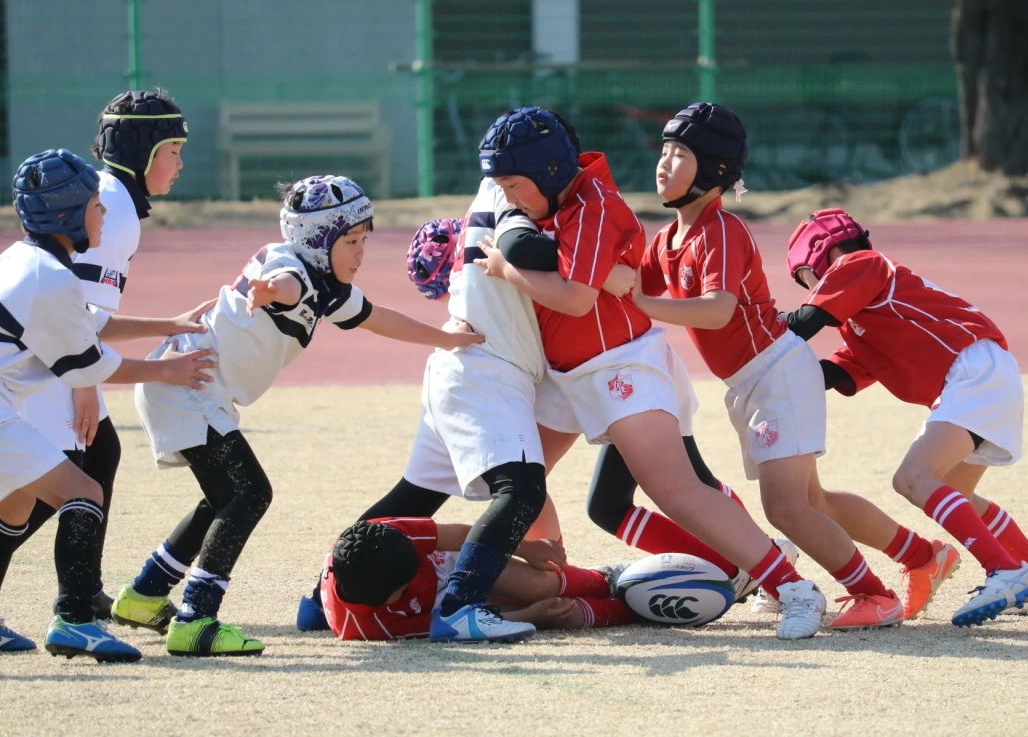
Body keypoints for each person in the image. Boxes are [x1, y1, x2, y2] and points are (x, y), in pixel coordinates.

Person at [475, 106, 821, 639]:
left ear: (546, 173)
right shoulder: (549, 201)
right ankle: (552, 579)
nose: (507, 197)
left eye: (513, 184)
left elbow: (573, 300)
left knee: (678, 491)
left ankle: (792, 587)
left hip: (621, 368)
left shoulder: (594, 207)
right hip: (566, 373)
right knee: (518, 481)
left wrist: (506, 267)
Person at [108, 175, 482, 657]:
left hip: (188, 387)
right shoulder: (293, 269)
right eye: (350, 241)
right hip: (188, 386)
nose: (360, 252)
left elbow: (380, 318)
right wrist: (269, 291)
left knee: (222, 498)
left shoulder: (326, 285)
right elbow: (284, 285)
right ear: (317, 240)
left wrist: (446, 338)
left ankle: (143, 595)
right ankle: (196, 617)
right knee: (250, 494)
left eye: (364, 239)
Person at [633, 103, 954, 629]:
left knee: (785, 508)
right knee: (814, 501)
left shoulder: (721, 229)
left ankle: (874, 597)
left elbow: (718, 309)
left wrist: (641, 303)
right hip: (753, 382)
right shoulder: (666, 239)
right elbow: (628, 293)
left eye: (681, 154)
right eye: (664, 152)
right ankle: (922, 555)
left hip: (776, 371)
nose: (664, 164)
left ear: (715, 171)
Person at [785, 207, 1028, 627]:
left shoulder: (858, 265)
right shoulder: (868, 318)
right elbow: (830, 373)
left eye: (805, 281)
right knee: (953, 491)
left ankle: (1006, 570)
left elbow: (801, 325)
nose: (808, 292)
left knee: (912, 479)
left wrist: (751, 329)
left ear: (817, 262)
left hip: (971, 370)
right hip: (983, 371)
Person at [0, 149, 213, 660]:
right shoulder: (50, 277)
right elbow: (92, 365)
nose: (104, 214)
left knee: (16, 502)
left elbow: (87, 324)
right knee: (85, 491)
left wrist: (168, 325)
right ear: (68, 214)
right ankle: (73, 620)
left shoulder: (27, 261)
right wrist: (167, 370)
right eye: (97, 205)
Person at [320, 518, 636, 641]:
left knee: (537, 585)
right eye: (404, 588)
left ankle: (608, 578)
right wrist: (532, 617)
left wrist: (525, 548)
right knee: (560, 613)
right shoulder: (365, 627)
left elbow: (459, 535)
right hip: (442, 608)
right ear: (377, 602)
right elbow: (452, 626)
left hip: (449, 563)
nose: (414, 580)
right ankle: (639, 608)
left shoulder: (382, 535)